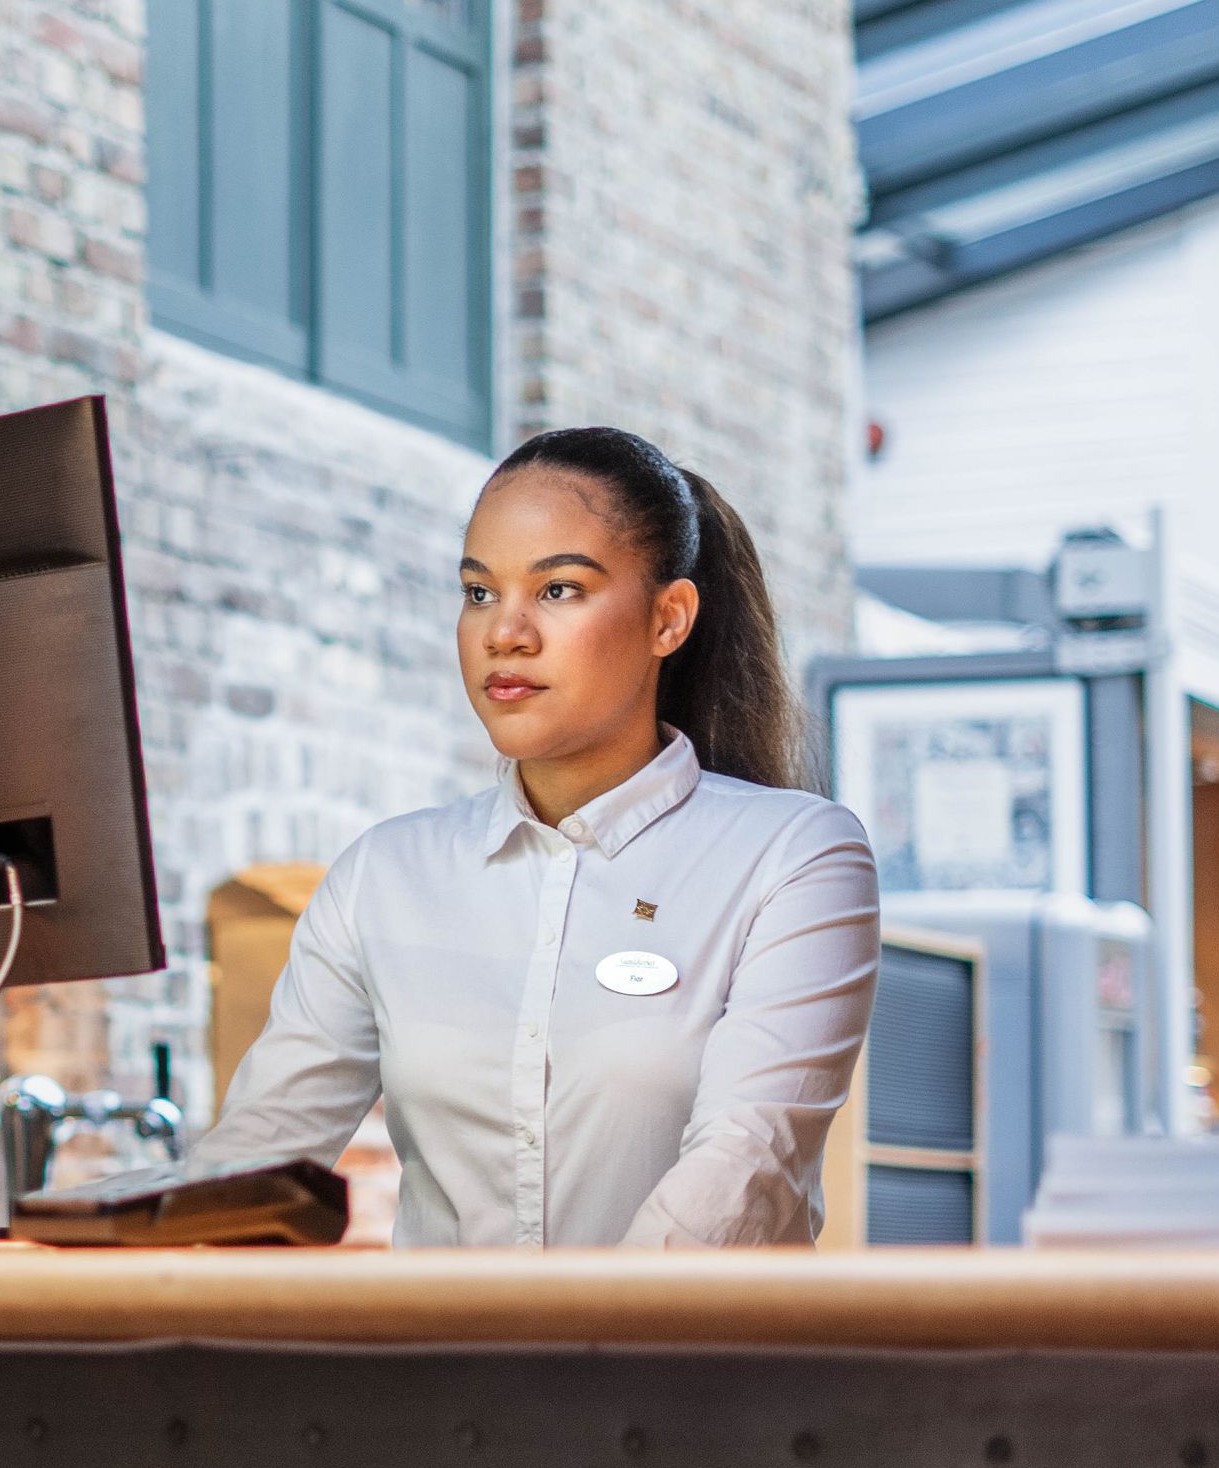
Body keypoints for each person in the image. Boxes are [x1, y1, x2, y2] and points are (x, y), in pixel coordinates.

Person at [190, 427, 880, 1248]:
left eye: (557, 590)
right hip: (444, 1374)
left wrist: (556, 1354)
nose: (504, 633)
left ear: (669, 618)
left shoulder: (796, 856)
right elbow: (249, 1169)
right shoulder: (384, 875)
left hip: (686, 1373)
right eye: (479, 592)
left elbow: (744, 1168)